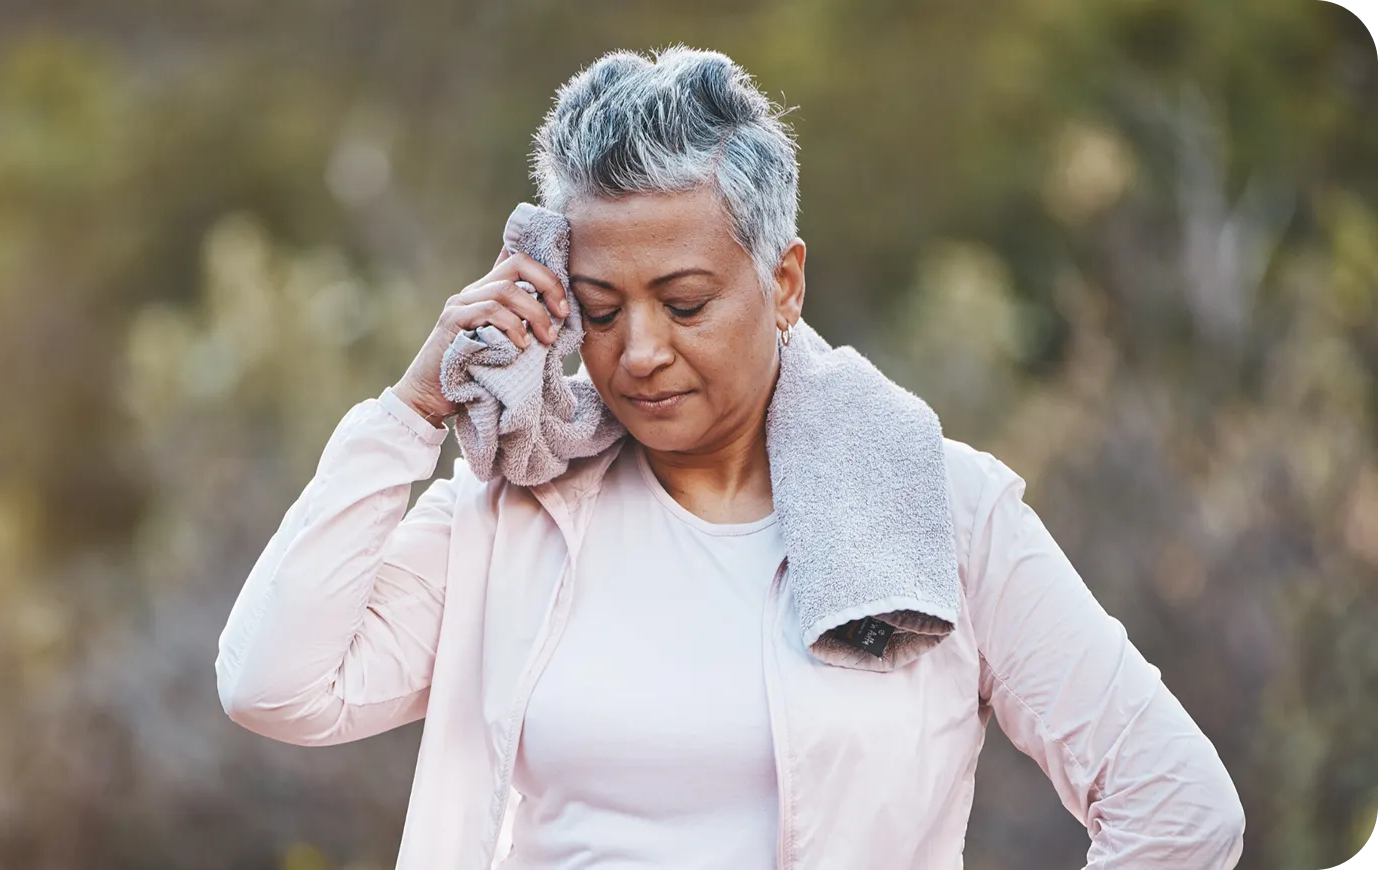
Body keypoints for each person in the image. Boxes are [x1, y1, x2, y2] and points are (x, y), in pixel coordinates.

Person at [215, 45, 1246, 870]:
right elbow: (276, 683)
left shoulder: (944, 511)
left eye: (687, 303)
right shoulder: (511, 511)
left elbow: (1179, 811)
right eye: (603, 311)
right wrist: (411, 410)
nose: (641, 351)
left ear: (784, 281)